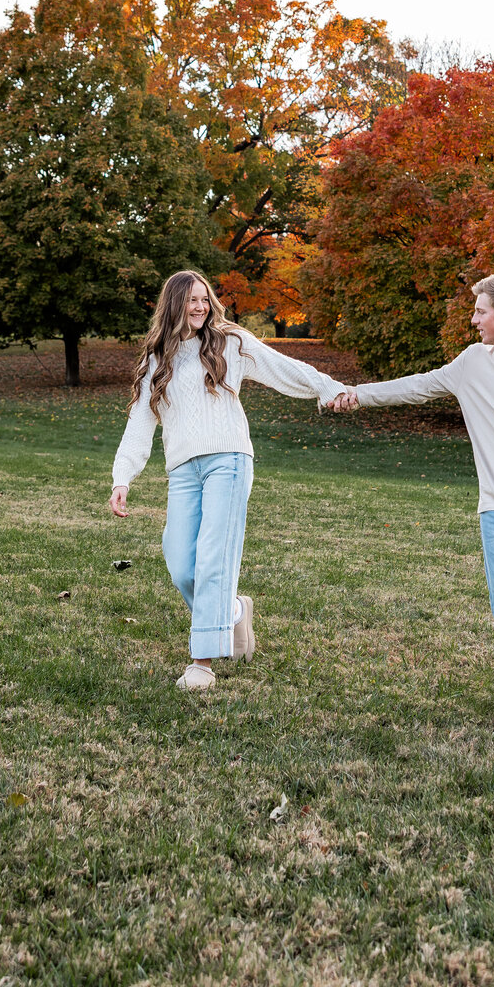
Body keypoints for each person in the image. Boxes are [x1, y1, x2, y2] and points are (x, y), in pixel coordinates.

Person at [331, 271, 494, 743]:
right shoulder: (474, 363)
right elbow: (418, 385)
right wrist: (358, 394)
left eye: (480, 312)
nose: (474, 320)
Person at [110, 269, 350, 692]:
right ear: (173, 305)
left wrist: (327, 388)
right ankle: (234, 613)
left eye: (205, 298)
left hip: (229, 461)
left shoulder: (230, 342)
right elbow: (140, 421)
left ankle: (201, 664)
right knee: (181, 562)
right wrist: (122, 477)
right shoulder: (157, 359)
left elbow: (282, 367)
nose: (201, 306)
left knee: (213, 559)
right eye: (191, 300)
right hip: (183, 470)